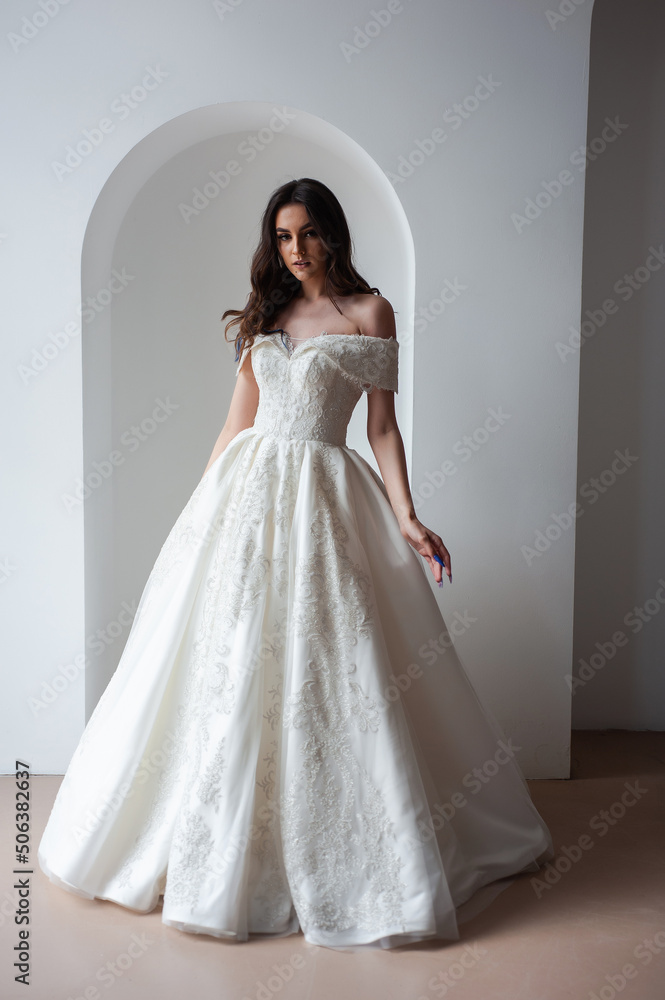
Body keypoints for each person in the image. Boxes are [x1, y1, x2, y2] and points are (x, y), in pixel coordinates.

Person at [38, 177, 554, 951]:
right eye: (283, 236)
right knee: (230, 655)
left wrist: (406, 514)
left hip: (323, 493)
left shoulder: (370, 312)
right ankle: (219, 842)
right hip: (244, 500)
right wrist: (196, 516)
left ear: (333, 235)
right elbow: (233, 424)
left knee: (328, 661)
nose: (296, 249)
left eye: (309, 233)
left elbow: (381, 428)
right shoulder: (266, 316)